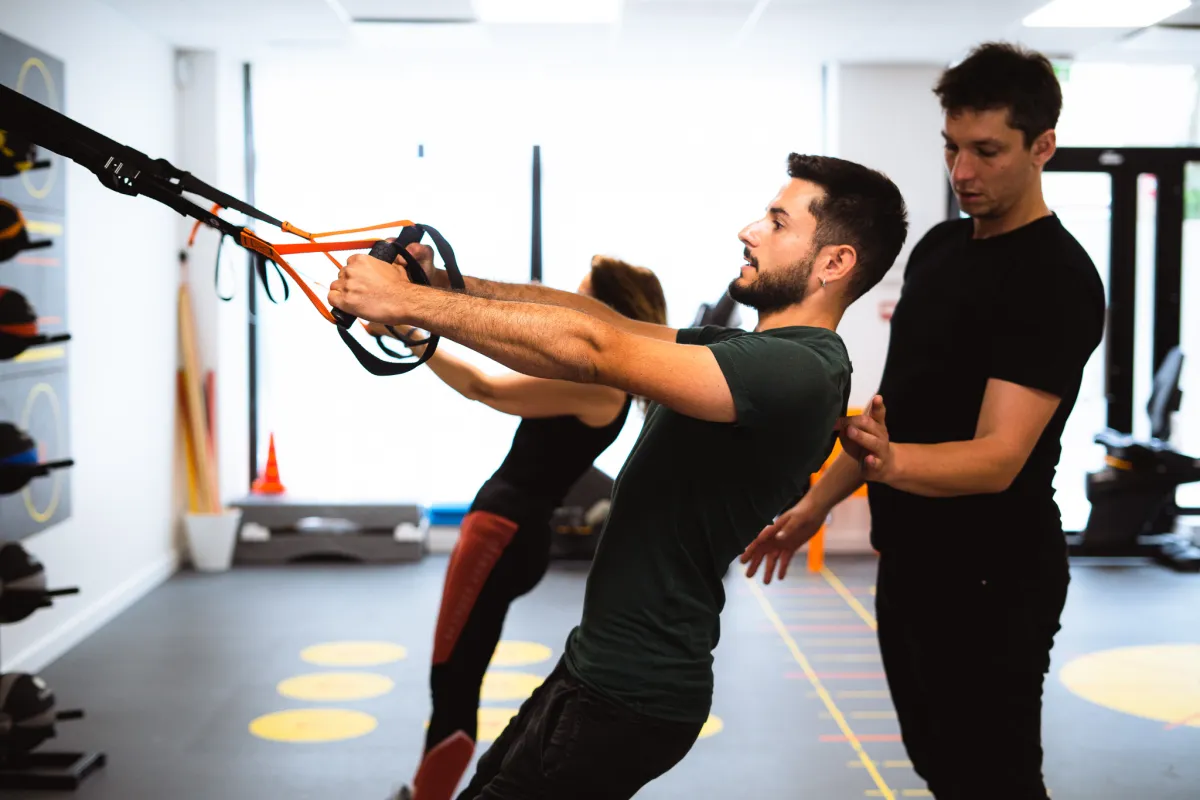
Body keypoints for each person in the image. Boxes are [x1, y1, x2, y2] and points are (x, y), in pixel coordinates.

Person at [330, 153, 908, 799]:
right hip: (595, 672)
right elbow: (605, 323)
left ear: (834, 262)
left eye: (777, 222)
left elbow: (593, 350)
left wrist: (407, 302)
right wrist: (437, 284)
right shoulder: (748, 352)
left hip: (630, 696)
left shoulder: (796, 369)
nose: (748, 231)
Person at [741, 43, 1106, 800]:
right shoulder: (940, 249)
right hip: (908, 559)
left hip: (995, 576)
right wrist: (814, 506)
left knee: (995, 779)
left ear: (1042, 146)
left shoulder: (1057, 278)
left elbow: (997, 458)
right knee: (939, 766)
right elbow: (893, 413)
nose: (962, 171)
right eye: (951, 147)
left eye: (986, 151)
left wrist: (890, 462)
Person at [371, 256, 668, 800]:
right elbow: (503, 350)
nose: (570, 306)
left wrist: (410, 330)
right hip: (508, 532)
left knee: (453, 680)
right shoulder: (591, 379)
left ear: (608, 310)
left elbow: (483, 387)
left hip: (501, 535)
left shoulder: (600, 387)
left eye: (582, 297)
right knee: (456, 676)